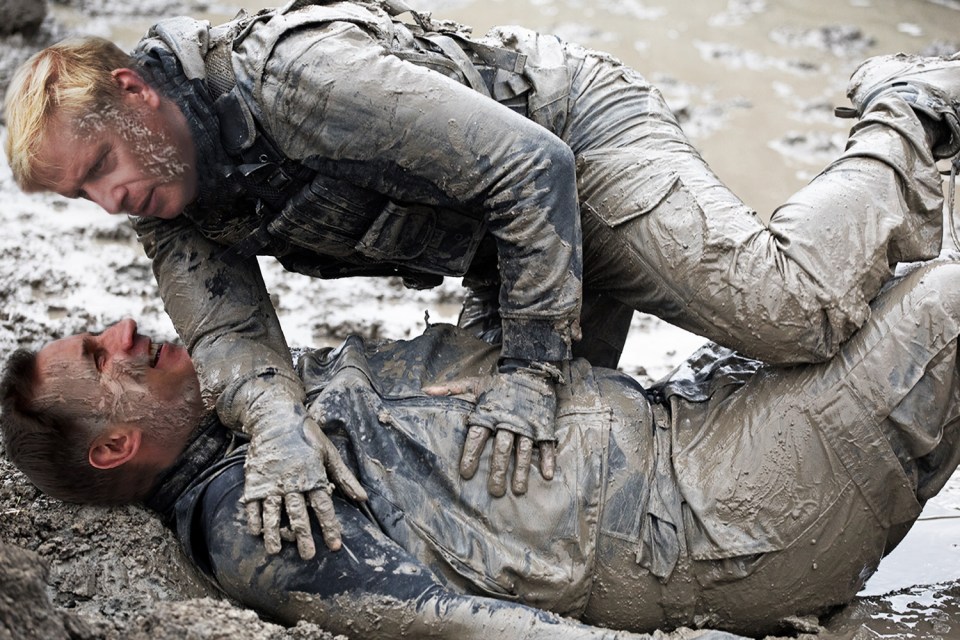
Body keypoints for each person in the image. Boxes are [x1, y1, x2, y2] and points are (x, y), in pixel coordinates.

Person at [4, 0, 960, 555]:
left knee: (785, 311)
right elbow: (229, 341)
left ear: (133, 96)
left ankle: (909, 111)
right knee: (551, 466)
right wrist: (281, 427)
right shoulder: (171, 196)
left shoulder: (295, 77)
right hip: (504, 237)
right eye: (79, 197)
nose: (109, 203)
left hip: (575, 145)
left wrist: (529, 370)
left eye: (97, 169)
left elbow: (530, 166)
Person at [4, 253, 960, 639]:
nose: (126, 330)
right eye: (101, 355)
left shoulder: (258, 417)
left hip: (693, 426)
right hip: (712, 516)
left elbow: (475, 432)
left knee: (888, 282)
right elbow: (449, 621)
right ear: (114, 447)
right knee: (948, 304)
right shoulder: (252, 518)